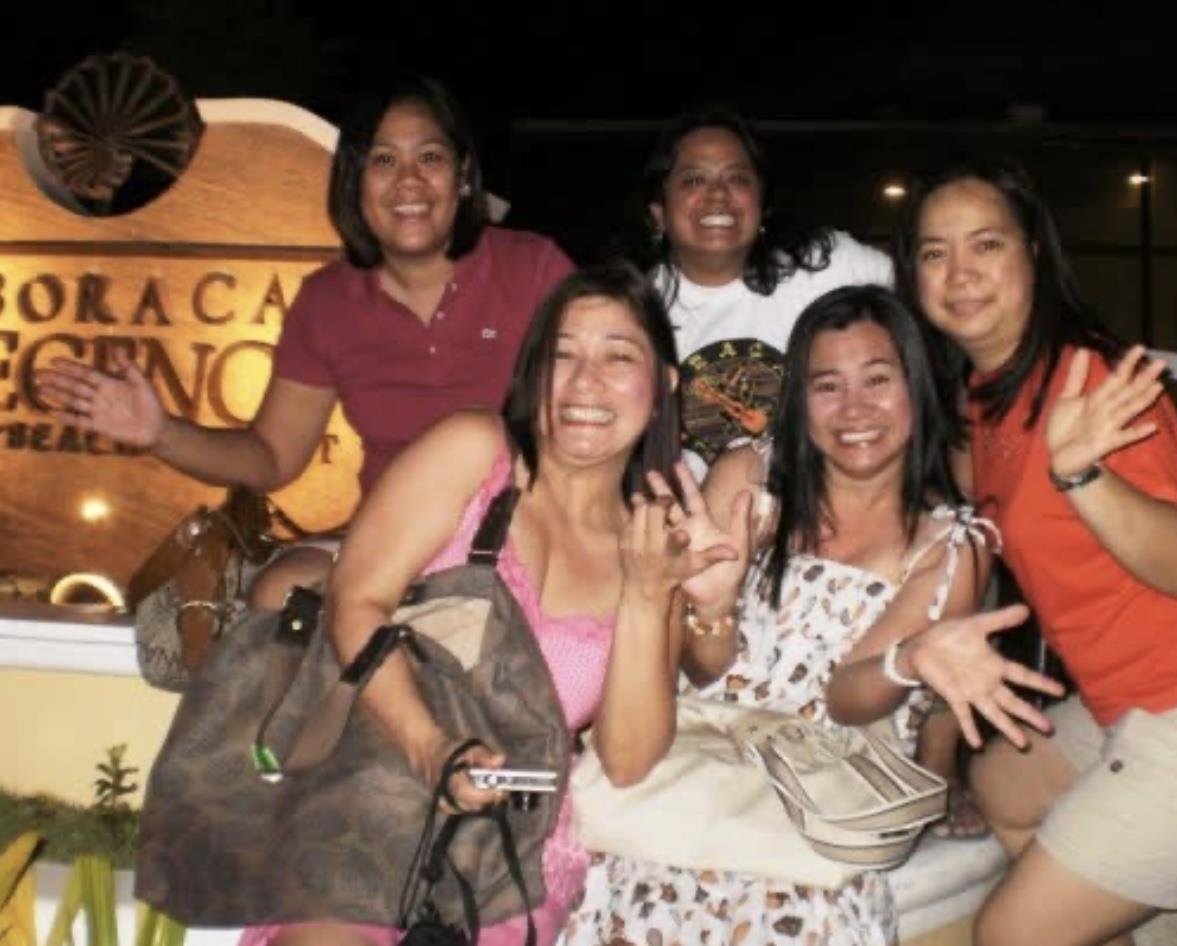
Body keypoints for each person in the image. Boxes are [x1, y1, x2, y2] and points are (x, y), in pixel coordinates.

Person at [245, 262, 739, 946]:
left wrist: (649, 593)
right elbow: (357, 601)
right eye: (562, 355)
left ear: (664, 385)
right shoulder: (474, 452)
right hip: (368, 800)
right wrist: (432, 748)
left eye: (618, 357)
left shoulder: (653, 542)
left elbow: (626, 758)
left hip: (511, 851)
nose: (584, 381)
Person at [562, 284, 1062, 946]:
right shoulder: (748, 478)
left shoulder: (950, 545)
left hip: (821, 798)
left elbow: (848, 700)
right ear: (800, 398)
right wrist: (712, 608)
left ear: (916, 388)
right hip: (696, 767)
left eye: (878, 380)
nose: (854, 409)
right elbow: (703, 671)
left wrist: (908, 660)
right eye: (827, 386)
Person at [897, 156, 1177, 946]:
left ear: (1033, 254)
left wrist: (1080, 473)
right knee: (1002, 783)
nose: (960, 273)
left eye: (986, 245)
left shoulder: (1091, 380)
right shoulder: (981, 397)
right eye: (935, 253)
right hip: (1124, 699)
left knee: (1009, 935)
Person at [35, 75, 572, 604]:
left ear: (463, 176)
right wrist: (160, 433)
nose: (408, 180)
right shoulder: (329, 301)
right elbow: (272, 457)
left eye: (429, 158)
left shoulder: (534, 269)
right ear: (355, 182)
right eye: (383, 160)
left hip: (525, 538)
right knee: (278, 593)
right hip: (391, 544)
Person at [642, 105, 892, 476]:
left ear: (761, 203)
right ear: (660, 213)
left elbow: (931, 297)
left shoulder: (823, 267)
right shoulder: (635, 312)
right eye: (694, 180)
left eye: (738, 178)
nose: (718, 194)